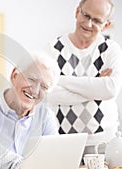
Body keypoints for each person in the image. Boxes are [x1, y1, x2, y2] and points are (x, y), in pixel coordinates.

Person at [46, 0, 122, 153]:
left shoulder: (111, 49)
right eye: (86, 15)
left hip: (104, 142)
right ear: (77, 12)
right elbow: (48, 94)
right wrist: (96, 87)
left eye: (97, 20)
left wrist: (60, 80)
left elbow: (110, 90)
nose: (88, 24)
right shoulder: (53, 48)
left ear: (106, 25)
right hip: (63, 142)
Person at [0, 53, 60, 156]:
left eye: (44, 86)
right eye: (31, 79)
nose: (35, 91)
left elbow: (53, 158)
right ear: (14, 75)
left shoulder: (46, 117)